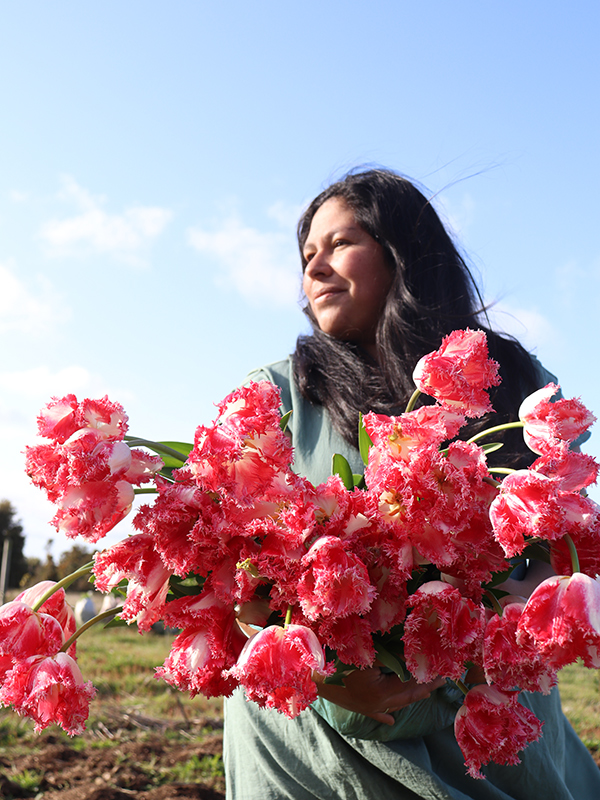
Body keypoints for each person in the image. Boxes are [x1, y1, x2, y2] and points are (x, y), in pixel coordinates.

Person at [223, 168, 600, 799]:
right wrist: (331, 675)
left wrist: (474, 639)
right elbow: (229, 569)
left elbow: (558, 535)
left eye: (340, 244)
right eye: (307, 255)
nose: (313, 270)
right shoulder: (275, 396)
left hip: (483, 725)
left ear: (403, 253)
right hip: (316, 742)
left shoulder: (511, 377)